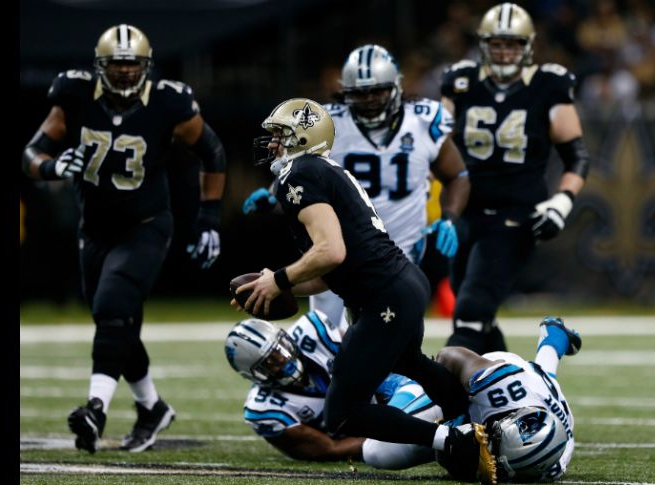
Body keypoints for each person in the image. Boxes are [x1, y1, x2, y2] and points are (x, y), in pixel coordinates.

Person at [21, 24, 227, 453]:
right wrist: (53, 168)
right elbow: (31, 152)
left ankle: (96, 408)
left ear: (146, 68)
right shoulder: (74, 94)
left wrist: (208, 217)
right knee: (114, 322)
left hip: (146, 225)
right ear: (100, 68)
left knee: (112, 306)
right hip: (93, 230)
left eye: (133, 65)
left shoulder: (170, 102)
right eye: (117, 65)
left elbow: (213, 152)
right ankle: (151, 407)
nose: (126, 74)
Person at [233, 97, 476, 461]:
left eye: (280, 135)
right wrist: (271, 288)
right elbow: (330, 272)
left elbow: (331, 252)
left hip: (384, 295)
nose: (271, 144)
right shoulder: (322, 170)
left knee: (343, 414)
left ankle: (458, 442)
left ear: (302, 137)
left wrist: (279, 279)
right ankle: (471, 418)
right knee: (409, 363)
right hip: (401, 284)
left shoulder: (298, 174)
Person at [242, 44, 470, 328]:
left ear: (396, 86)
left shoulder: (423, 120)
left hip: (400, 249)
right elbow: (303, 171)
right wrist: (277, 194)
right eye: (360, 93)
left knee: (390, 337)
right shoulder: (328, 122)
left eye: (378, 91)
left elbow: (457, 176)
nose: (370, 99)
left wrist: (448, 218)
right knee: (323, 332)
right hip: (336, 246)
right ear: (346, 91)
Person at [440, 3, 591, 354]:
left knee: (471, 312)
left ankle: (438, 396)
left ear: (528, 46)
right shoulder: (461, 82)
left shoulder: (548, 85)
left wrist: (562, 200)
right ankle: (509, 386)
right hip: (467, 211)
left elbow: (577, 156)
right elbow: (434, 141)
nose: (505, 52)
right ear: (483, 45)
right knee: (475, 313)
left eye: (513, 44)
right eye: (497, 44)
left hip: (516, 212)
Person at [224, 311, 443, 468]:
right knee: (381, 453)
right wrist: (386, 437)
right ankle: (450, 437)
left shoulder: (312, 330)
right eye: (269, 363)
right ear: (254, 376)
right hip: (369, 435)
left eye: (279, 350)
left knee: (438, 377)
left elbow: (372, 358)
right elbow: (328, 449)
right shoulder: (263, 409)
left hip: (394, 389)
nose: (282, 361)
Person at [435, 316, 581, 482]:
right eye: (495, 442)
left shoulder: (551, 466)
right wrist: (452, 413)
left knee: (544, 377)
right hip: (510, 374)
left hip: (547, 397)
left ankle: (555, 336)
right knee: (402, 450)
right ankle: (554, 336)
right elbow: (447, 356)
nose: (491, 452)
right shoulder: (500, 387)